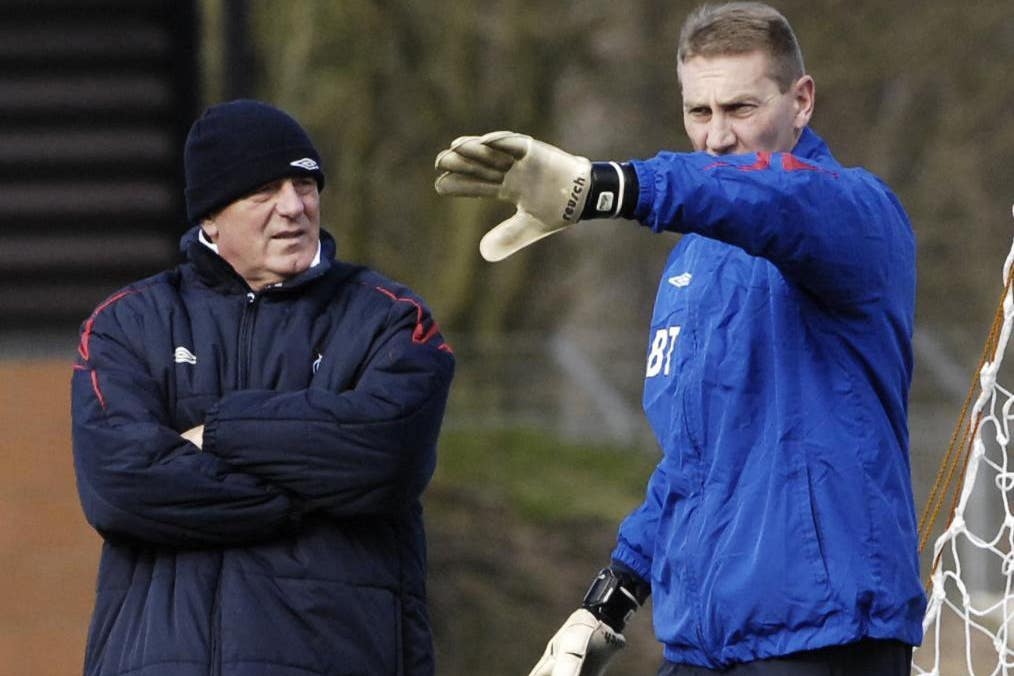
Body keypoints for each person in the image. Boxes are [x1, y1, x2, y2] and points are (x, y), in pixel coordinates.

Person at [433, 2, 923, 674]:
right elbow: (694, 462)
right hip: (702, 644)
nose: (717, 136)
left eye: (741, 108)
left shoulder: (852, 212)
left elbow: (765, 201)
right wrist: (611, 596)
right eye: (700, 112)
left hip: (824, 638)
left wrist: (601, 186)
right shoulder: (692, 264)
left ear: (801, 101)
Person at [71, 99, 454, 676]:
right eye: (264, 191)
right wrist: (306, 491)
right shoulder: (126, 324)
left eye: (305, 185)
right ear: (209, 216)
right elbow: (119, 485)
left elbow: (388, 454)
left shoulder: (389, 320)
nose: (294, 208)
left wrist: (219, 434)